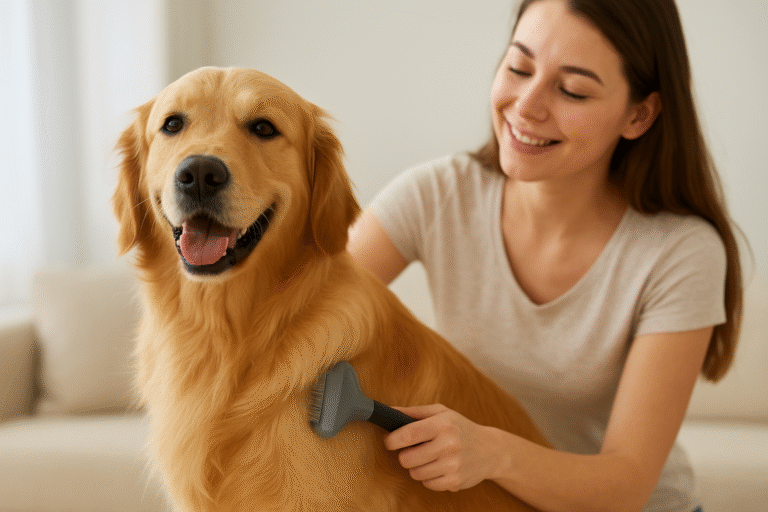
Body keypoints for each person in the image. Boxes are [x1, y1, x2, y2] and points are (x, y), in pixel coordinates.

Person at [347, 0, 746, 511]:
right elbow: (305, 307)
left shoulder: (681, 253)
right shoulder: (437, 195)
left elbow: (625, 486)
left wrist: (491, 453)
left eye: (572, 89)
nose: (527, 105)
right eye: (518, 66)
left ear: (639, 114)